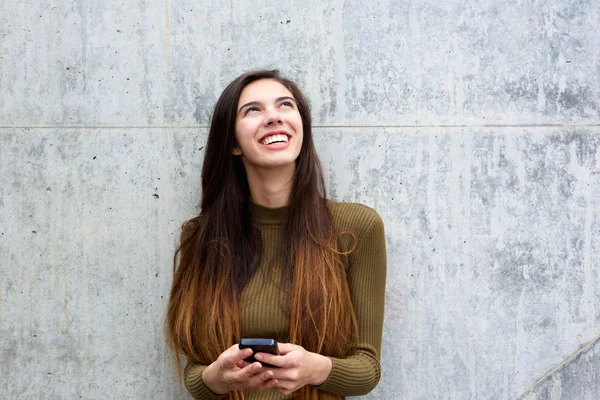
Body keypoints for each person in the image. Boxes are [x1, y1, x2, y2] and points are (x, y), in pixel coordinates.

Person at [165, 69, 387, 400]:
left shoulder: (357, 226)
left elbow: (367, 370)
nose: (273, 117)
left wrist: (315, 369)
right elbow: (195, 374)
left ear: (302, 126)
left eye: (285, 105)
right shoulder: (202, 237)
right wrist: (217, 377)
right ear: (232, 144)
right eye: (252, 110)